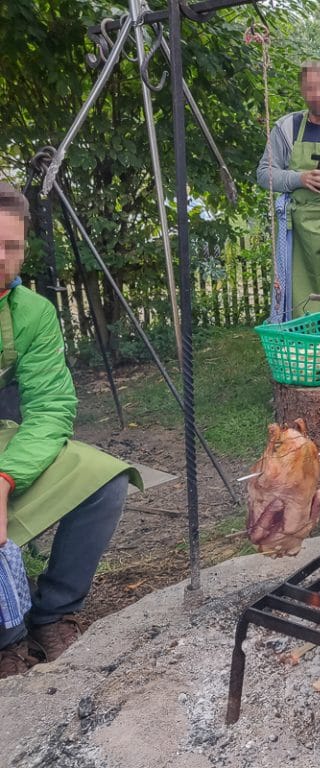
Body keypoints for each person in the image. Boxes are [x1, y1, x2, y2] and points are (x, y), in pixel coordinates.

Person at [0, 183, 141, 678]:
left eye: (11, 247)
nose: (1, 258)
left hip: (7, 440)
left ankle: (54, 611)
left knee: (105, 479)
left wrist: (5, 478)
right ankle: (6, 638)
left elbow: (50, 408)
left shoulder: (32, 313)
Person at [257, 61, 320, 318]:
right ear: (302, 91)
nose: (317, 95)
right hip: (298, 234)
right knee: (298, 304)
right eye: (310, 88)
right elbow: (264, 175)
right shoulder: (288, 128)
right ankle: (303, 352)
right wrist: (299, 179)